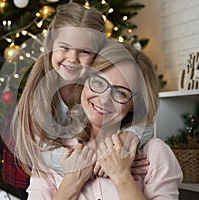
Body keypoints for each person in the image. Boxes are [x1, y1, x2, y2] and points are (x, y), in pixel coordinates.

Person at [3, 2, 151, 197]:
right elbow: (47, 159)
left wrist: (131, 135)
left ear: (98, 56)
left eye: (85, 51)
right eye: (64, 47)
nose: (72, 58)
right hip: (37, 185)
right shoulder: (37, 101)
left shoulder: (99, 90)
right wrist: (110, 162)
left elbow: (145, 120)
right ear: (50, 46)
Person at [25, 39, 183, 199]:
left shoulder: (154, 153)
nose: (104, 99)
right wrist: (71, 183)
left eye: (121, 93)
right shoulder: (52, 153)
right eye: (98, 82)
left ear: (135, 104)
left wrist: (122, 177)